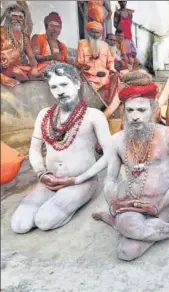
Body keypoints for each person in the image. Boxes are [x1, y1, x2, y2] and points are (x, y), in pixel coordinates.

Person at [91, 82, 169, 261]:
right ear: (124, 112)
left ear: (153, 110)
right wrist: (113, 204)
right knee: (125, 252)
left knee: (127, 250)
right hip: (131, 204)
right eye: (130, 110)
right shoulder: (117, 140)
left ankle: (116, 223)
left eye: (142, 110)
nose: (135, 117)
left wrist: (158, 205)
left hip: (161, 205)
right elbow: (110, 179)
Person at [10, 63, 112, 234]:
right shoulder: (44, 115)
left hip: (82, 181)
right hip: (50, 181)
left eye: (64, 84)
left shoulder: (94, 115)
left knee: (44, 221)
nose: (60, 91)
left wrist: (77, 180)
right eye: (54, 87)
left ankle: (79, 196)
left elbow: (109, 155)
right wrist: (42, 174)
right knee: (19, 225)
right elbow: (34, 150)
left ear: (77, 83)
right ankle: (57, 198)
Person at [76, 21, 120, 118]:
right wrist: (88, 69)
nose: (95, 35)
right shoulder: (82, 43)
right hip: (89, 76)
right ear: (88, 32)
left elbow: (110, 61)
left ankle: (109, 105)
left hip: (105, 75)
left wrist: (112, 68)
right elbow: (79, 63)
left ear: (101, 34)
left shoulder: (104, 45)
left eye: (98, 32)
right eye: (93, 32)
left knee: (116, 77)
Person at [0, 4, 40, 87]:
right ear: (8, 18)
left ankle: (27, 80)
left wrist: (34, 68)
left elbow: (31, 57)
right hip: (5, 70)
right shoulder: (1, 31)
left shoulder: (24, 37)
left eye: (20, 17)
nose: (17, 19)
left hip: (20, 67)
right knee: (17, 71)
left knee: (44, 68)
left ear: (23, 20)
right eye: (14, 16)